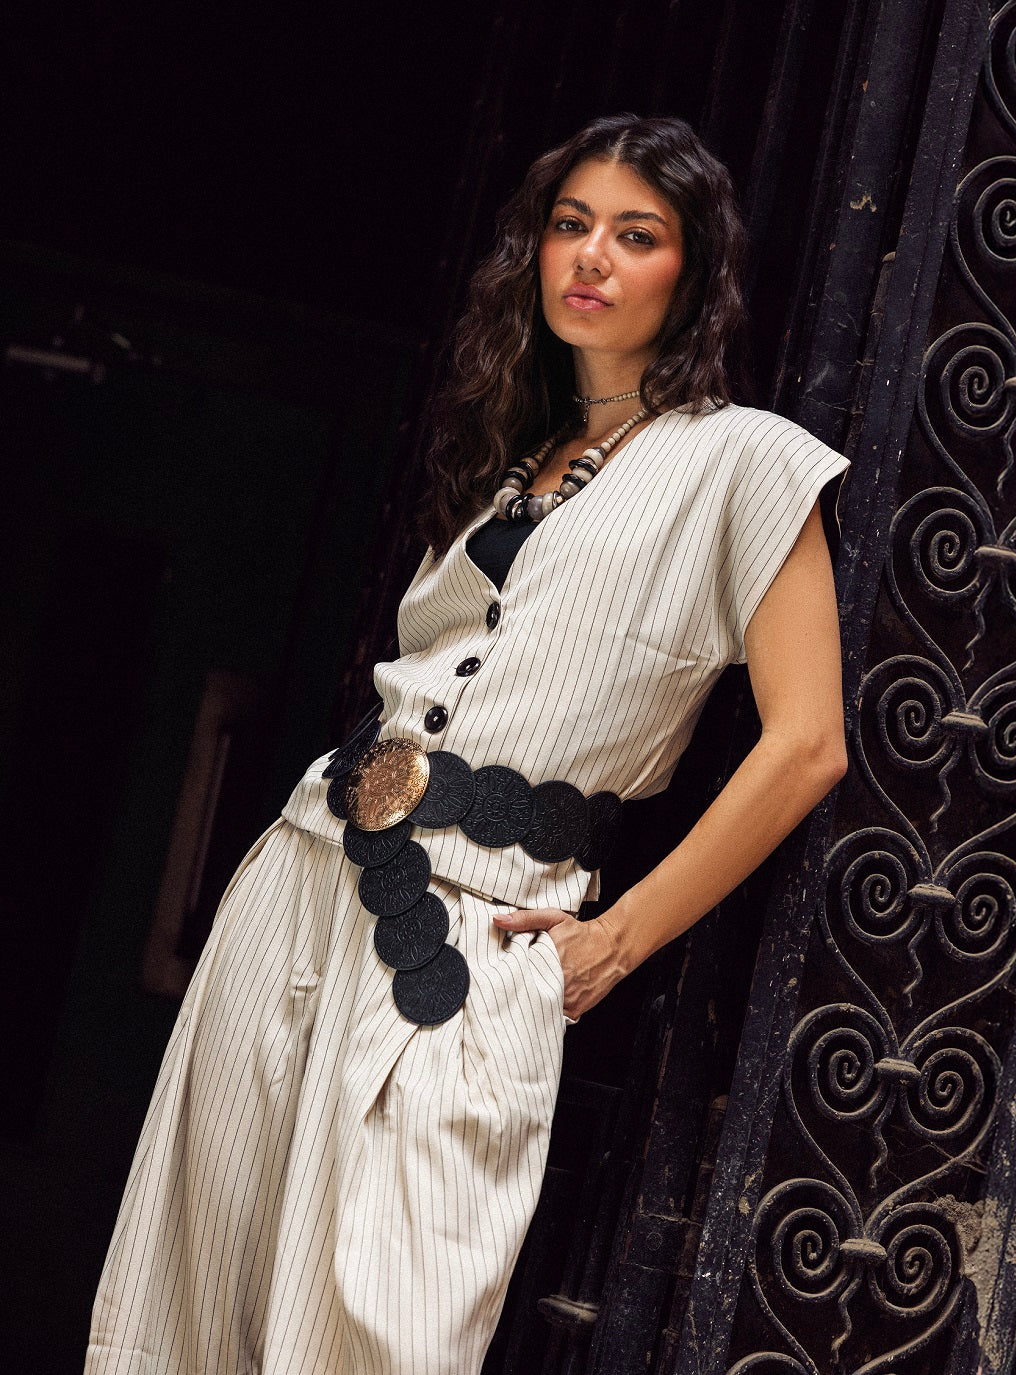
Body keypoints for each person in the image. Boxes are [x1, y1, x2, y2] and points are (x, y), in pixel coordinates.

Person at [85, 114, 849, 1375]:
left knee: (387, 1321)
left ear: (694, 273)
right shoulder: (521, 467)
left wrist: (620, 932)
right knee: (194, 1294)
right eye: (569, 225)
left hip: (480, 930)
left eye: (635, 235)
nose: (589, 257)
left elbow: (806, 743)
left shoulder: (743, 462)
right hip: (304, 879)